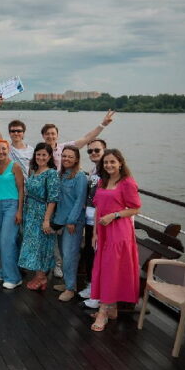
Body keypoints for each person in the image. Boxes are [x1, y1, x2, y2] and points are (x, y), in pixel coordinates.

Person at [89, 149, 141, 332]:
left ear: (120, 163)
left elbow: (135, 208)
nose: (109, 165)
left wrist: (114, 215)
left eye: (112, 162)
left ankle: (103, 312)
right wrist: (95, 232)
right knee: (105, 269)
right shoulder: (103, 181)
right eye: (106, 162)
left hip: (118, 232)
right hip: (103, 231)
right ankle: (112, 309)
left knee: (111, 270)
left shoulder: (127, 182)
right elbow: (98, 208)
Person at [18, 143, 60, 290]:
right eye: (38, 154)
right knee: (33, 245)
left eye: (44, 155)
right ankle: (39, 275)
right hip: (30, 212)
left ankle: (41, 277)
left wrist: (46, 220)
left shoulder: (51, 173)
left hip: (42, 213)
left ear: (49, 157)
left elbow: (53, 199)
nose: (41, 157)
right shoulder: (34, 170)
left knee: (42, 245)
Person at [51, 146, 87, 301]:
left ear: (77, 159)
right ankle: (67, 283)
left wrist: (72, 221)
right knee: (63, 254)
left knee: (69, 255)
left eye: (70, 157)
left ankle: (71, 289)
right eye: (64, 156)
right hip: (60, 220)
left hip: (72, 222)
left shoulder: (80, 176)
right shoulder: (62, 174)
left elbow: (80, 200)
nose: (66, 159)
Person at [0, 139, 25, 289]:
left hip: (12, 205)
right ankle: (4, 271)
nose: (1, 152)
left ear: (8, 150)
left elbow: (21, 189)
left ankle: (14, 278)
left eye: (3, 149)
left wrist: (19, 211)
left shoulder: (15, 166)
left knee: (7, 241)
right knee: (0, 241)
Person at [78, 138, 107, 309]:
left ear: (104, 150)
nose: (93, 153)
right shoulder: (94, 170)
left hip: (100, 221)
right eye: (90, 151)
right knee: (89, 253)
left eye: (97, 150)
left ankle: (98, 293)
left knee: (98, 256)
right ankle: (91, 286)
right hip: (89, 220)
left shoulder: (107, 171)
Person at [40, 110, 115, 169]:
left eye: (53, 134)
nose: (50, 136)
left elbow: (87, 138)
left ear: (57, 136)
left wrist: (103, 125)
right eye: (47, 134)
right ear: (43, 136)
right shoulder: (38, 152)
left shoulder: (65, 148)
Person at [0, 96, 34, 176]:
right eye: (13, 131)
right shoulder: (6, 148)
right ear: (9, 133)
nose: (16, 133)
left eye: (19, 131)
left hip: (27, 183)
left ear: (23, 133)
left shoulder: (32, 151)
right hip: (10, 183)